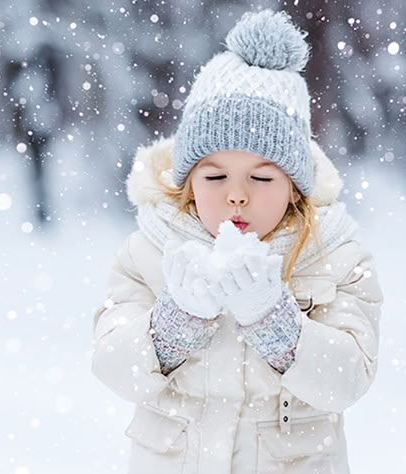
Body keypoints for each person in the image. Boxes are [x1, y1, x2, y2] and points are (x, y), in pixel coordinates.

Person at [92, 9, 383, 474]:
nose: (237, 194)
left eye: (262, 177)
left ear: (295, 185)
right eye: (215, 175)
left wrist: (275, 320)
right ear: (188, 181)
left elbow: (348, 380)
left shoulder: (336, 257)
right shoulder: (148, 252)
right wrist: (175, 322)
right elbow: (112, 366)